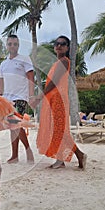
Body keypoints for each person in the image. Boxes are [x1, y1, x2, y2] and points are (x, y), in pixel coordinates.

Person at [29, 35, 87, 169]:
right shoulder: (57, 63)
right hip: (53, 100)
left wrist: (39, 97)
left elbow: (54, 82)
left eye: (63, 44)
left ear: (67, 48)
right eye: (57, 43)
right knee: (56, 130)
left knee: (61, 130)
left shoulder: (64, 61)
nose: (59, 46)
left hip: (59, 100)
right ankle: (60, 160)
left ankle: (80, 155)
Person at [0, 34, 35, 164]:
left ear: (18, 45)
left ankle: (27, 151)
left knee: (15, 125)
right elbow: (1, 82)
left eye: (15, 44)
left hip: (20, 97)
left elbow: (31, 77)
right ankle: (15, 156)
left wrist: (31, 96)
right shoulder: (3, 64)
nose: (12, 46)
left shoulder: (25, 59)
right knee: (12, 127)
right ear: (7, 46)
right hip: (7, 99)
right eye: (10, 44)